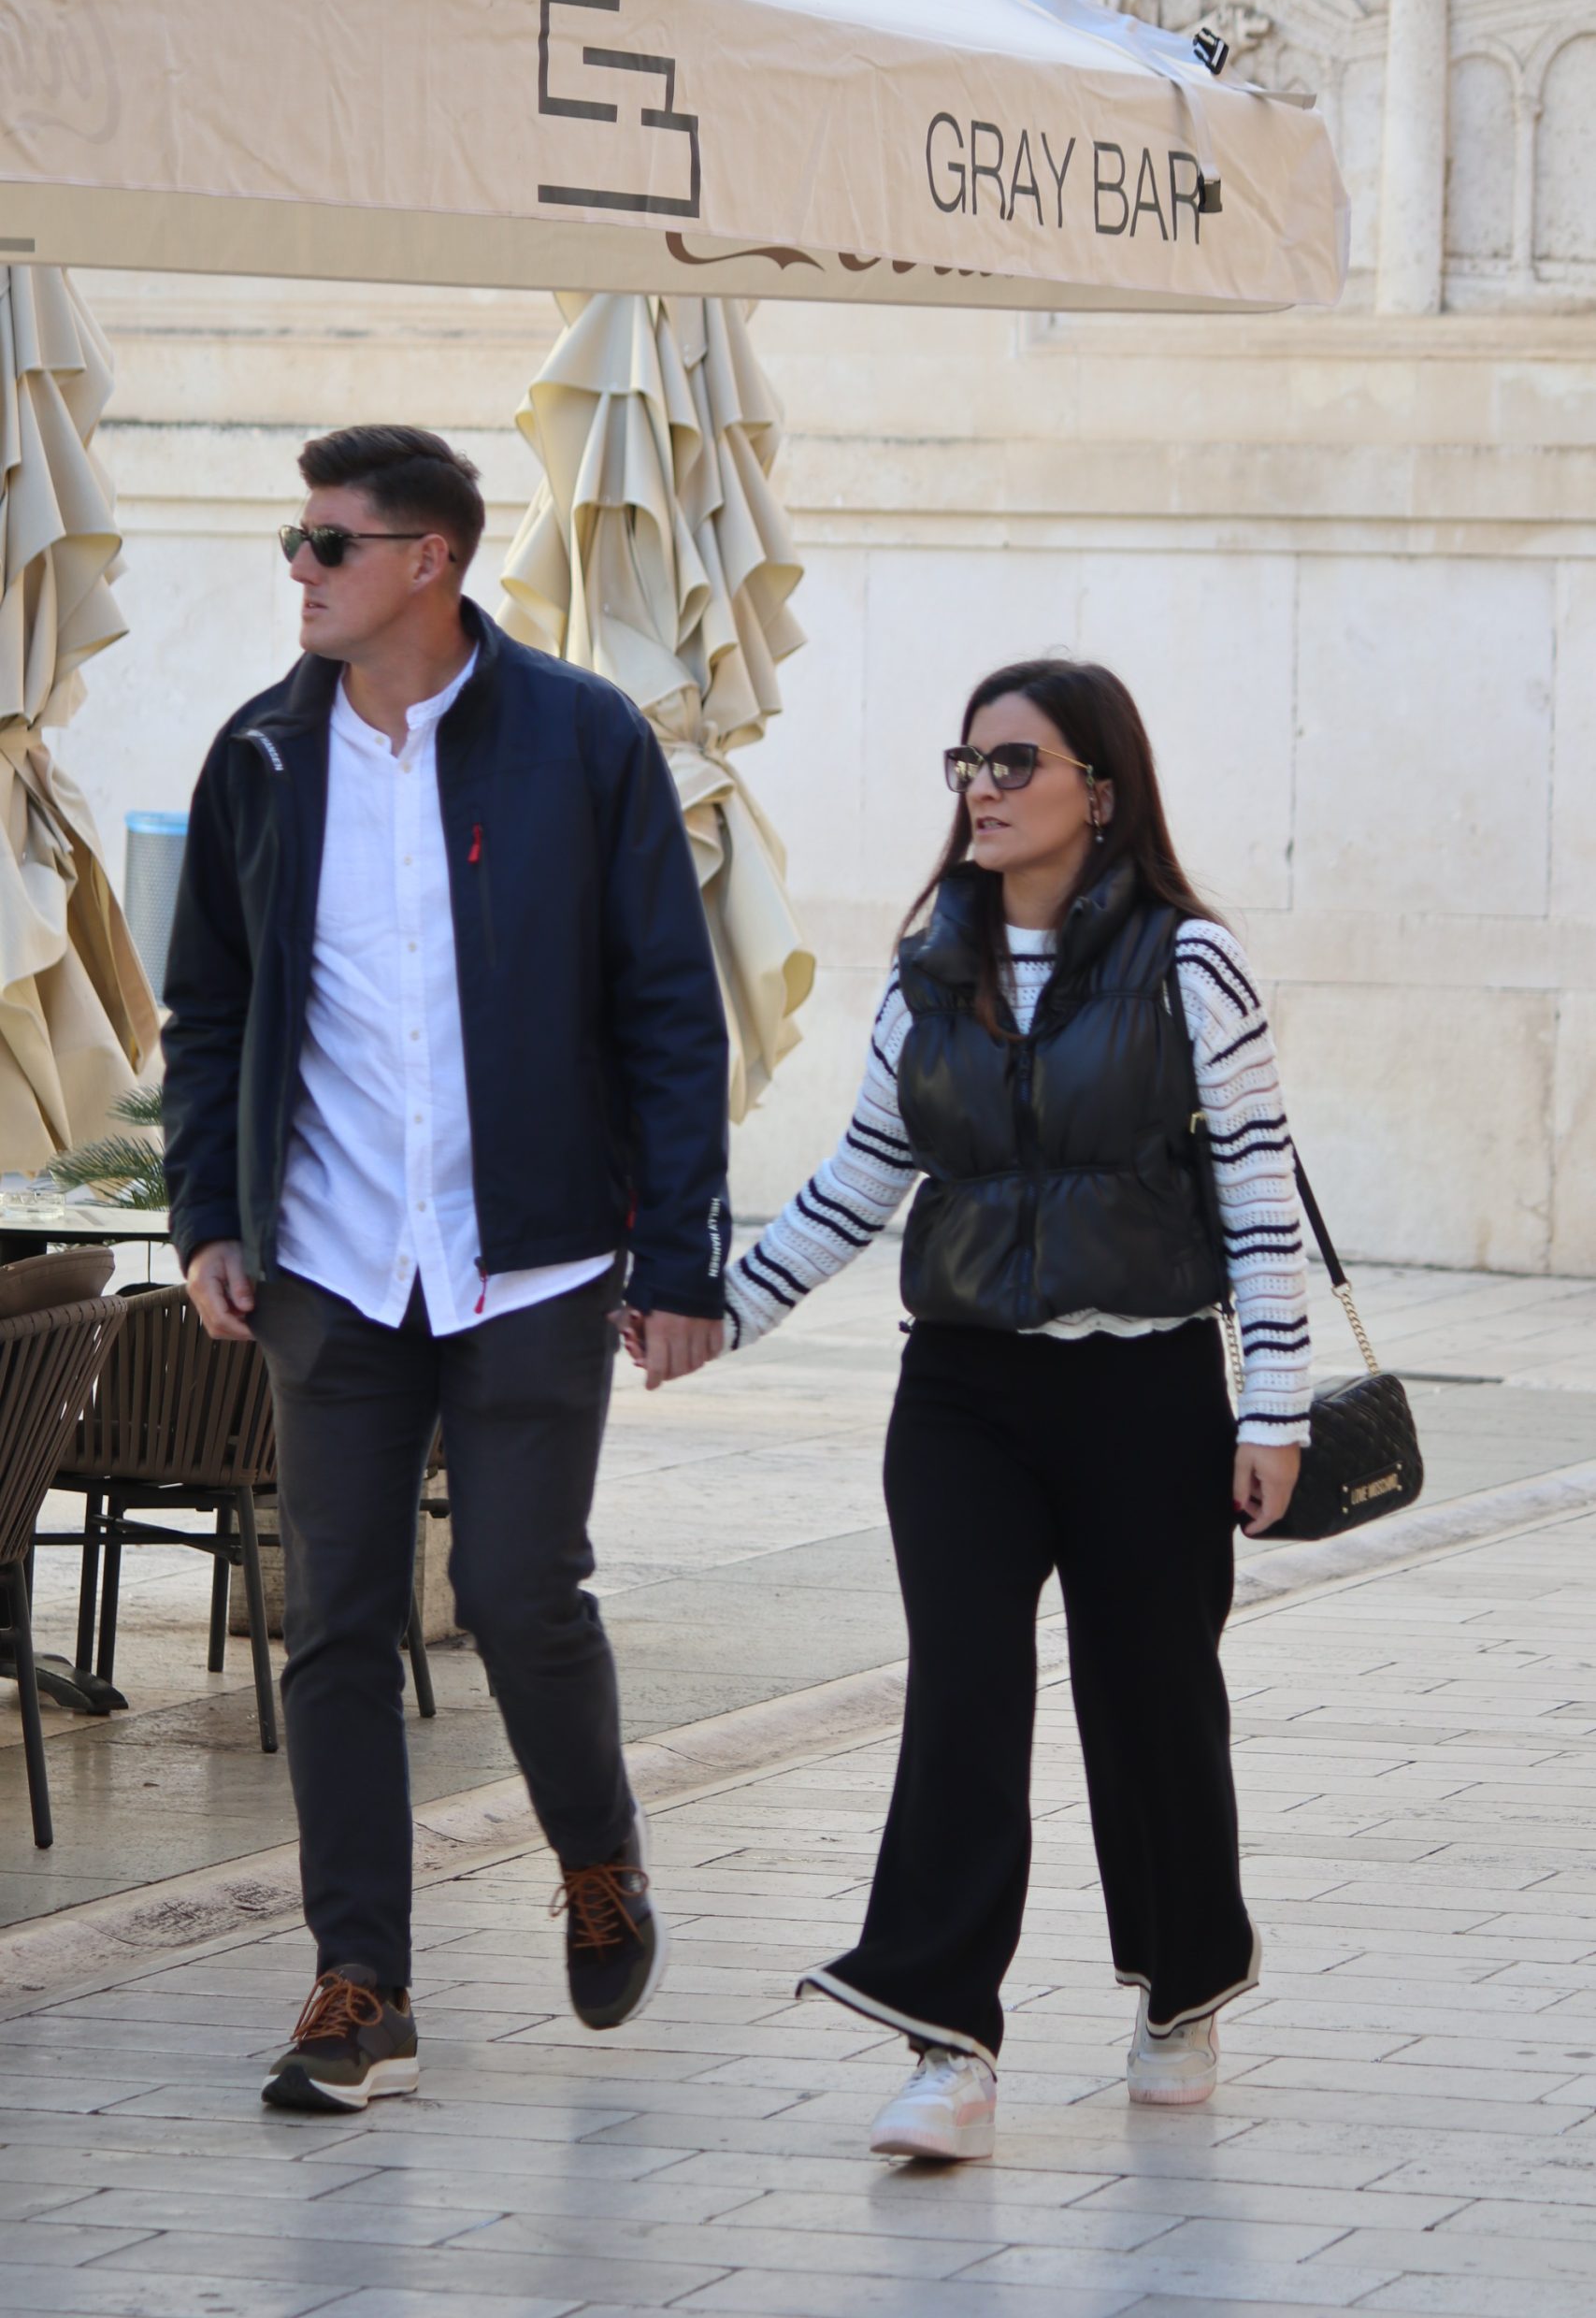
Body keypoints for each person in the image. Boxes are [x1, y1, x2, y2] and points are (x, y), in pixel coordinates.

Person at [163, 425, 729, 2113]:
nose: (300, 568)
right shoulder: (262, 754)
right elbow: (210, 1009)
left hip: (531, 1259)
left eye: (329, 543)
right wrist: (209, 1213)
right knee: (334, 1622)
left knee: (515, 1592)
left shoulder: (583, 738)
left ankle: (599, 1859)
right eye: (296, 540)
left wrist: (681, 1255)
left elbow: (668, 1007)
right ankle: (363, 1986)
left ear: (430, 560)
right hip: (332, 1262)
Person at [712, 656, 1311, 2160]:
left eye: (1013, 763)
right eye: (967, 764)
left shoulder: (1191, 965)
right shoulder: (934, 964)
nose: (980, 789)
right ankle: (947, 2041)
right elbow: (859, 1177)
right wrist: (718, 1310)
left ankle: (1184, 1984)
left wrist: (1275, 1410)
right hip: (965, 1392)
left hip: (1145, 1391)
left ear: (1099, 792)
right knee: (964, 1696)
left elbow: (1257, 1197)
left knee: (1152, 1699)